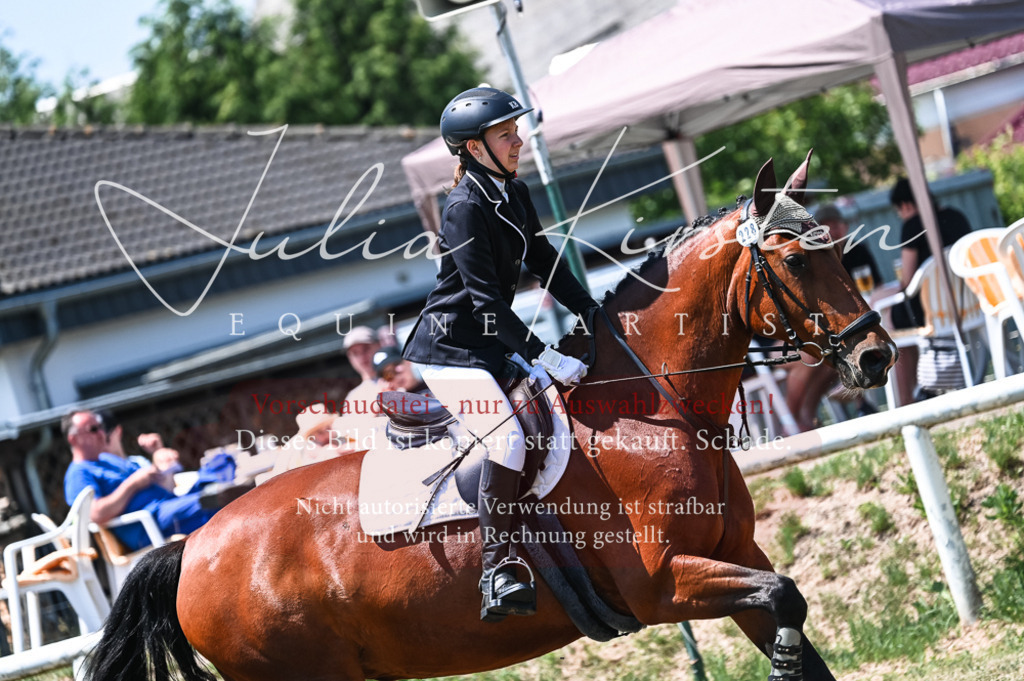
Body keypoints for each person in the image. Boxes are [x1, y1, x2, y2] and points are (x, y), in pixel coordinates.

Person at [402, 87, 598, 621]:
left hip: (489, 343)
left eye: (516, 131)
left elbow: (544, 258)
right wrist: (543, 355)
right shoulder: (463, 208)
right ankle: (496, 569)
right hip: (449, 350)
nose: (518, 141)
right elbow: (487, 302)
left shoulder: (513, 193)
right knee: (508, 437)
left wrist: (593, 310)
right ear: (472, 148)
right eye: (505, 134)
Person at [62, 410, 220, 550]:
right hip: (149, 524)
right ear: (73, 439)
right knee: (218, 500)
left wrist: (160, 458)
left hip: (168, 507)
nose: (101, 434)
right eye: (94, 429)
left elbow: (163, 487)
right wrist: (133, 483)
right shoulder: (78, 472)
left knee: (220, 475)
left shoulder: (108, 461)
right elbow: (95, 513)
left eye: (101, 428)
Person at [784, 204, 880, 430]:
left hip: (835, 329)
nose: (832, 231)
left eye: (835, 225)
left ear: (845, 227)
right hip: (798, 335)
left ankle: (811, 414)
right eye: (825, 227)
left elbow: (876, 286)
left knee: (830, 356)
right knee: (816, 356)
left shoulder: (856, 250)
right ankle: (791, 421)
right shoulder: (812, 260)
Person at [889, 178, 973, 404]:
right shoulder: (957, 216)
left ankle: (907, 398)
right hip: (969, 304)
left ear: (905, 205)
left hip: (931, 312)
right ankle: (924, 386)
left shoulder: (912, 226)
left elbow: (907, 280)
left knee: (891, 318)